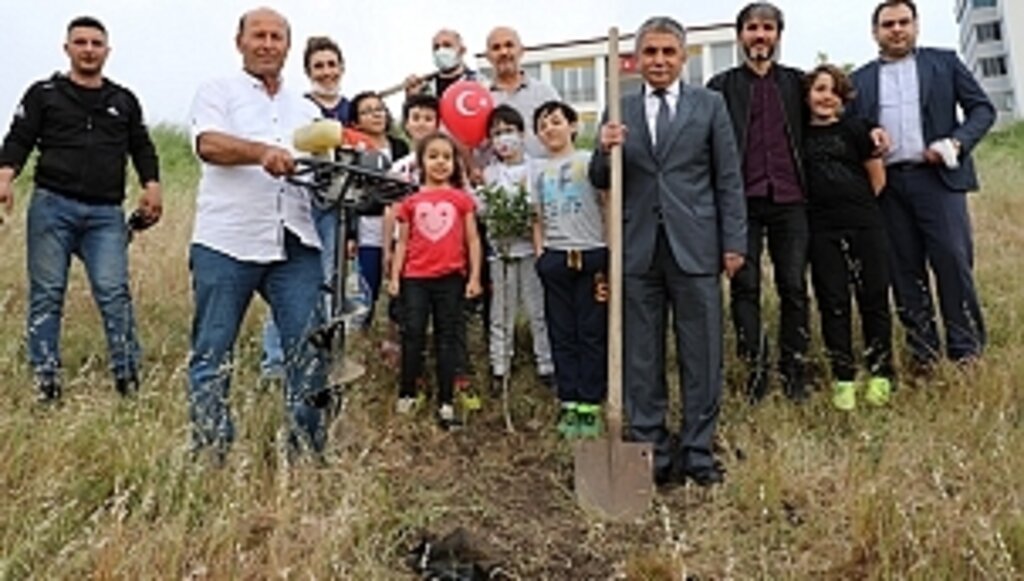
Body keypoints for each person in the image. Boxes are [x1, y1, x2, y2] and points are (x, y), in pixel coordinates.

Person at [590, 17, 746, 487]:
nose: (658, 61)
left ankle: (698, 451)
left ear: (683, 57)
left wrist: (734, 242)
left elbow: (728, 178)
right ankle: (651, 449)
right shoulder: (619, 109)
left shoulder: (710, 106)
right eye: (650, 53)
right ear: (636, 59)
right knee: (641, 355)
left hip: (696, 247)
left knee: (701, 353)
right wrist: (603, 149)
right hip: (638, 250)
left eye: (668, 53)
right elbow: (601, 178)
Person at [187, 8, 328, 458]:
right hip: (228, 240)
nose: (267, 44)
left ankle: (305, 451)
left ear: (289, 46)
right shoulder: (217, 92)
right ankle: (213, 451)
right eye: (259, 35)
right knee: (213, 351)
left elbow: (318, 171)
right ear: (240, 41)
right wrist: (262, 152)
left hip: (295, 240)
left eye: (277, 37)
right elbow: (208, 144)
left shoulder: (306, 108)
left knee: (310, 348)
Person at [0, 16, 162, 402]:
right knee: (47, 294)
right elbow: (19, 138)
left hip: (105, 214)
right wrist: (5, 177)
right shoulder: (44, 93)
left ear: (107, 50)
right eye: (81, 42)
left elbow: (142, 146)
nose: (88, 49)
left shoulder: (123, 100)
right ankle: (46, 382)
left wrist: (152, 187)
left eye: (96, 43)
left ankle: (127, 380)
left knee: (113, 292)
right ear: (67, 48)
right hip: (52, 206)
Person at [847, 0, 995, 371]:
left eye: (903, 22)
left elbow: (982, 110)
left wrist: (957, 143)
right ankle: (923, 354)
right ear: (874, 32)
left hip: (938, 181)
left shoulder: (944, 63)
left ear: (916, 25)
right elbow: (850, 131)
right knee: (904, 270)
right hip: (889, 186)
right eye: (887, 24)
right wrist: (867, 134)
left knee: (953, 263)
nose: (896, 29)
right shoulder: (860, 79)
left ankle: (966, 351)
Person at [706, 2, 811, 402]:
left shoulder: (797, 84)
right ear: (740, 36)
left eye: (768, 28)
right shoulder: (720, 87)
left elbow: (830, 116)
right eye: (752, 28)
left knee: (793, 287)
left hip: (791, 200)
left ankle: (795, 372)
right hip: (740, 204)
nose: (760, 35)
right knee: (744, 289)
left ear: (778, 36)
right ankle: (755, 373)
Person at [802, 64, 895, 410]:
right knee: (833, 302)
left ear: (842, 99)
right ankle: (843, 378)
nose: (827, 97)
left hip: (864, 224)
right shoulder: (798, 135)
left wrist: (856, 210)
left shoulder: (857, 130)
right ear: (808, 95)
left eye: (834, 91)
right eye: (820, 89)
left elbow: (877, 179)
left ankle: (881, 374)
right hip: (820, 229)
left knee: (873, 298)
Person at [261, 35, 350, 380]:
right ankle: (275, 361)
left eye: (331, 64)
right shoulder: (296, 109)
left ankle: (317, 359)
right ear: (308, 71)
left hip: (337, 208)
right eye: (319, 66)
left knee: (329, 285)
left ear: (341, 67)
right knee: (290, 283)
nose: (326, 72)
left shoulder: (352, 108)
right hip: (302, 204)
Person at [388, 132, 483, 429]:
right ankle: (407, 391)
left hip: (451, 279)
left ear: (455, 163)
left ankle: (445, 400)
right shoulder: (410, 202)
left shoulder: (462, 200)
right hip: (415, 278)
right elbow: (402, 243)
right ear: (421, 163)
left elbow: (472, 239)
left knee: (447, 337)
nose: (440, 162)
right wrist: (394, 277)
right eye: (433, 156)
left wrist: (475, 277)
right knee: (413, 333)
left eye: (446, 156)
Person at [531, 101, 606, 438]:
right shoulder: (540, 173)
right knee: (561, 332)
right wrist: (540, 254)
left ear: (573, 126)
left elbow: (607, 203)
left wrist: (610, 252)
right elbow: (537, 218)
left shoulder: (590, 161)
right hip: (556, 258)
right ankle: (569, 400)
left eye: (556, 121)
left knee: (591, 331)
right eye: (543, 125)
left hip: (590, 255)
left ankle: (591, 404)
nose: (550, 129)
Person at [481, 104, 554, 391]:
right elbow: (484, 211)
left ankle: (546, 364)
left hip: (534, 250)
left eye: (509, 131)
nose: (504, 139)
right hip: (502, 253)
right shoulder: (489, 174)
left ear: (522, 134)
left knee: (539, 310)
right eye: (497, 133)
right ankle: (500, 365)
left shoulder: (540, 168)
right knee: (502, 311)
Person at [346, 91, 410, 329]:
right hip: (368, 228)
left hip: (398, 229)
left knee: (398, 294)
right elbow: (350, 192)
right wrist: (351, 235)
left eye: (379, 109)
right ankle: (357, 348)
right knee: (364, 293)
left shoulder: (400, 146)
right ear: (355, 121)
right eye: (367, 111)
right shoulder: (354, 151)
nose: (376, 115)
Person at [484, 26, 560, 159]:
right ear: (488, 56)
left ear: (521, 51)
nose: (503, 52)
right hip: (494, 177)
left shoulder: (545, 93)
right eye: (496, 48)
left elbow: (563, 135)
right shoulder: (481, 98)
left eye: (509, 45)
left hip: (541, 176)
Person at [404, 29, 479, 98]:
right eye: (436, 47)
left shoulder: (478, 82)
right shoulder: (426, 88)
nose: (441, 50)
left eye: (447, 45)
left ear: (462, 50)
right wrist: (412, 98)